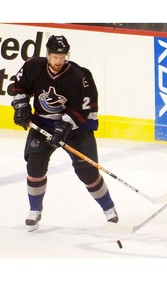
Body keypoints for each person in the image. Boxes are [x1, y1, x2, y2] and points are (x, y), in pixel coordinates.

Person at [10, 35, 119, 232]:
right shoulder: (33, 66)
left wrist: (64, 126)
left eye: (62, 57)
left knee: (87, 171)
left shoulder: (78, 75)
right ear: (48, 55)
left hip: (76, 128)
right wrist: (21, 104)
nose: (59, 61)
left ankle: (109, 208)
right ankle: (35, 210)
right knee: (35, 165)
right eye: (55, 57)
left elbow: (84, 108)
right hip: (43, 124)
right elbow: (19, 87)